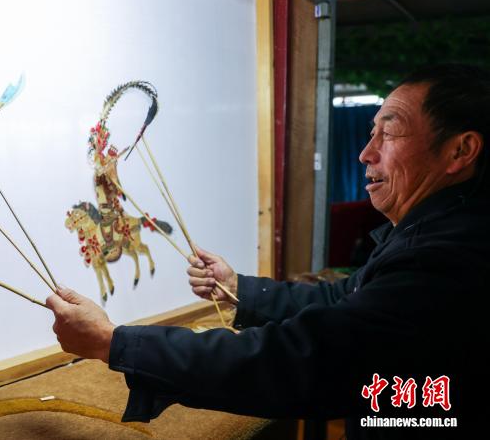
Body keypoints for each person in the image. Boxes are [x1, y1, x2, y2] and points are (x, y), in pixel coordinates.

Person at [47, 64, 490, 439]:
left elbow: (301, 359)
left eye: (388, 133)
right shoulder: (431, 231)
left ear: (460, 150)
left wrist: (114, 342)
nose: (365, 153)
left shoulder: (448, 257)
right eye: (371, 132)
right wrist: (237, 288)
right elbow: (344, 299)